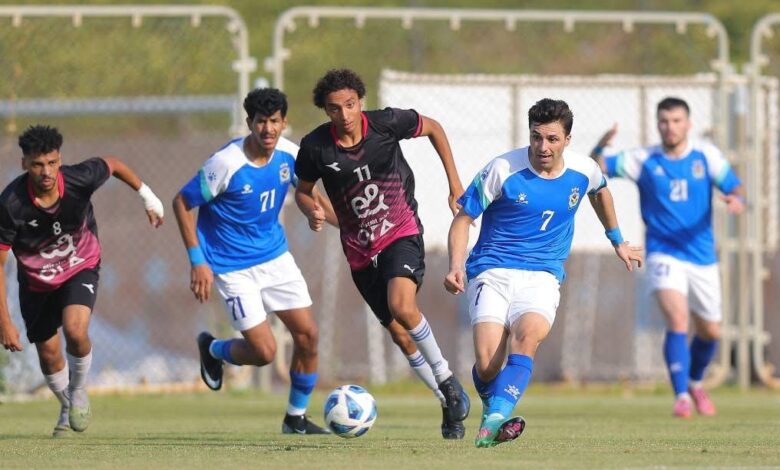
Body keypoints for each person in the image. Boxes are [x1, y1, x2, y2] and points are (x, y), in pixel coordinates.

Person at [445, 98, 643, 447]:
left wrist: (617, 240)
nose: (543, 146)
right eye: (536, 137)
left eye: (552, 139)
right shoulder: (502, 169)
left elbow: (601, 192)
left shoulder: (583, 170)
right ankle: (494, 404)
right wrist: (456, 266)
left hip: (543, 275)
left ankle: (493, 422)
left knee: (527, 338)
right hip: (492, 270)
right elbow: (463, 220)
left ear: (567, 139)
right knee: (488, 365)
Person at [294, 68, 471, 439]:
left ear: (360, 101)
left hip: (400, 232)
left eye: (350, 104)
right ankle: (446, 401)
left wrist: (454, 183)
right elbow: (304, 191)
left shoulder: (386, 124)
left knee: (402, 306)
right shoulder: (315, 148)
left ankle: (447, 378)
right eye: (334, 108)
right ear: (325, 111)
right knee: (401, 336)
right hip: (360, 252)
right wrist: (312, 210)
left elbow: (434, 128)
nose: (344, 114)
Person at [173, 88, 336, 435]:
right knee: (264, 352)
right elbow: (182, 203)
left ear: (284, 122)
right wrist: (197, 260)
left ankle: (295, 418)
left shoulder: (291, 156)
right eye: (261, 121)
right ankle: (213, 349)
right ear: (249, 123)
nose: (268, 129)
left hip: (275, 257)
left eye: (274, 121)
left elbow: (310, 195)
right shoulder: (226, 163)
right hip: (232, 266)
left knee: (308, 336)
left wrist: (346, 227)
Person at [0, 124, 165, 437]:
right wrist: (4, 322)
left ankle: (77, 391)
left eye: (51, 162)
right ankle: (66, 404)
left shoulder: (79, 178)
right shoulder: (11, 205)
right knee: (49, 355)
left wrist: (148, 197)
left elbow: (113, 164)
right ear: (24, 164)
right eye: (37, 164)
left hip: (80, 266)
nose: (46, 171)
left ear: (60, 160)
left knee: (76, 330)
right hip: (36, 283)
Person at [590, 97, 745, 418]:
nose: (670, 127)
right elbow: (595, 168)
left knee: (711, 332)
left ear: (688, 124)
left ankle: (695, 383)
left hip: (702, 256)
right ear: (657, 124)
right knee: (677, 320)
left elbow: (735, 187)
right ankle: (681, 398)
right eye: (664, 121)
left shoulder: (706, 156)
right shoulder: (644, 159)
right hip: (663, 253)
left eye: (676, 121)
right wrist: (600, 146)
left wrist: (736, 200)